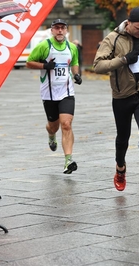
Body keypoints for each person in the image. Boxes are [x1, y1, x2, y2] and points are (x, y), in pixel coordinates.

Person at [93, 7, 139, 203]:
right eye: (138, 28)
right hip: (122, 96)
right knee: (123, 138)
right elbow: (98, 65)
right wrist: (124, 59)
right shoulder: (114, 38)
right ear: (128, 23)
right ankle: (120, 168)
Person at [26, 19, 82, 174]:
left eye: (62, 28)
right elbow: (29, 62)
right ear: (52, 30)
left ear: (66, 31)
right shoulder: (45, 46)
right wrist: (45, 66)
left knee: (66, 124)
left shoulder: (72, 47)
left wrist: (76, 75)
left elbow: (75, 62)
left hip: (67, 92)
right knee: (54, 126)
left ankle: (68, 161)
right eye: (56, 28)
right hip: (49, 93)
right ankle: (51, 135)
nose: (59, 31)